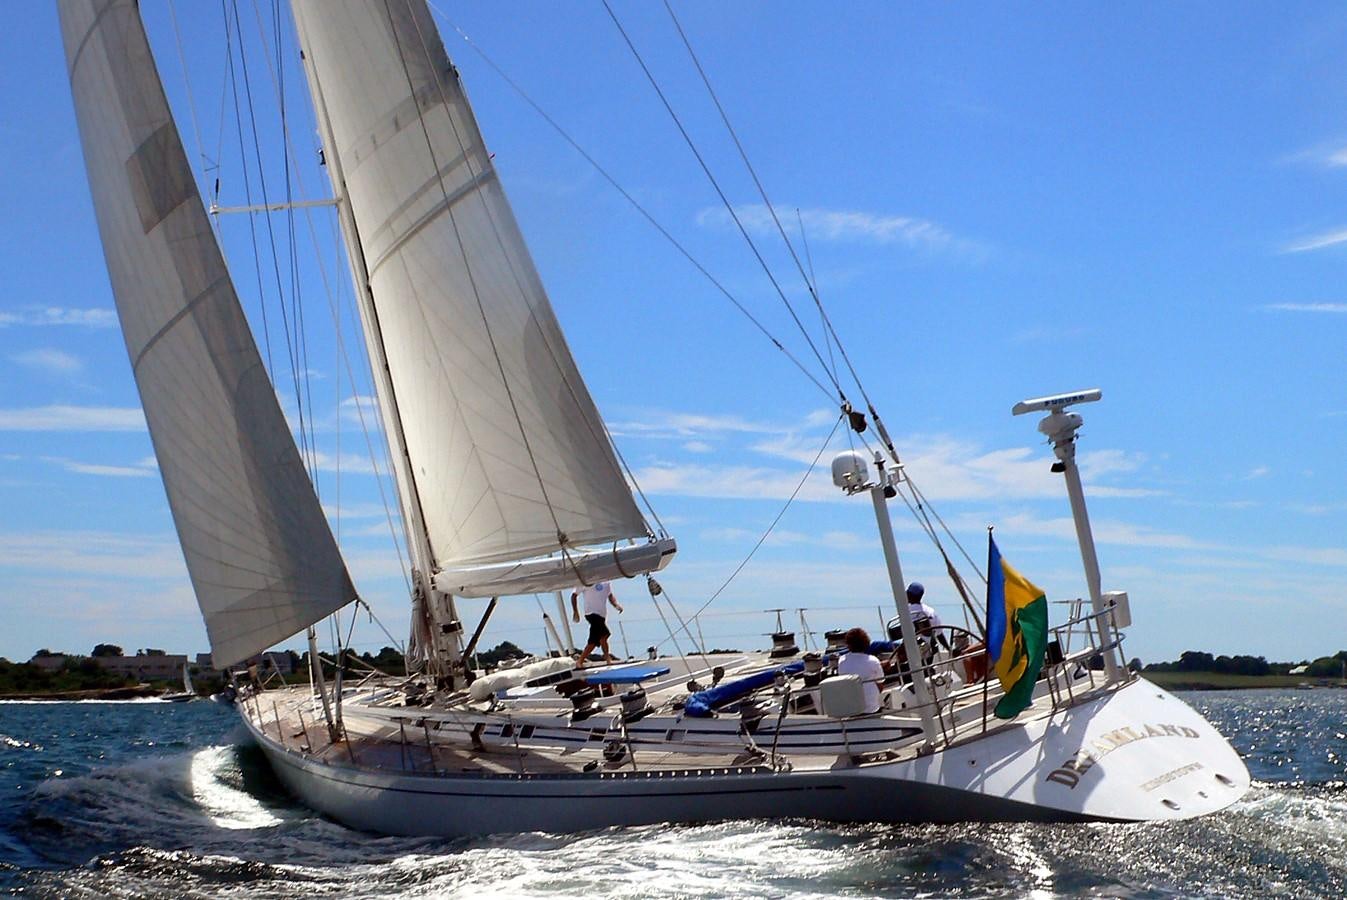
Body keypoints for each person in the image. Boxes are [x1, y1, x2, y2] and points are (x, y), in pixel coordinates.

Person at [571, 581, 623, 668]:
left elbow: (610, 595)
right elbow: (574, 595)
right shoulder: (585, 580)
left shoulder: (606, 582)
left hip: (602, 615)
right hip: (591, 614)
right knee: (604, 635)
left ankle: (605, 659)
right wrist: (575, 611)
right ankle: (604, 658)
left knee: (598, 639)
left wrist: (616, 605)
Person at [836, 627, 884, 713]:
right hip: (871, 709)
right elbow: (880, 686)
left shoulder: (841, 661)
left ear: (848, 644)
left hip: (851, 710)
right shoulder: (873, 660)